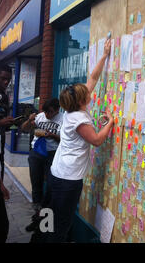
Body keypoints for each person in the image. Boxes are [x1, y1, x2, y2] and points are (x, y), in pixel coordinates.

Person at [46, 38, 114, 243]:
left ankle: (43, 237)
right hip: (67, 178)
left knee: (50, 216)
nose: (89, 90)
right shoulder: (78, 118)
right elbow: (96, 140)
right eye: (86, 93)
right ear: (82, 100)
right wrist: (110, 122)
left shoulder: (72, 109)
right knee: (62, 221)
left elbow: (93, 78)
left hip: (59, 172)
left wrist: (104, 54)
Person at [21, 98, 63, 232]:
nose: (47, 115)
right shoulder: (39, 116)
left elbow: (65, 139)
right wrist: (29, 120)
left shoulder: (63, 119)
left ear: (57, 110)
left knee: (51, 186)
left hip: (52, 155)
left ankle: (45, 218)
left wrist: (52, 135)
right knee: (36, 184)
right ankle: (37, 217)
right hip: (37, 153)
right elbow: (24, 129)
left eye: (50, 112)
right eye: (45, 112)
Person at [0, 63, 14, 243]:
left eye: (8, 79)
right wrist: (0, 123)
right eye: (3, 78)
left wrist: (11, 122)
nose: (6, 82)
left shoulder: (4, 97)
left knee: (3, 226)